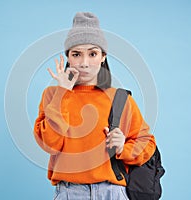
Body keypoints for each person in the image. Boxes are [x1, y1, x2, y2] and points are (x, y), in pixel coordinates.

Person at [34, 12, 156, 200]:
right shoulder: (52, 96)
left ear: (103, 57)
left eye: (92, 54)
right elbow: (50, 144)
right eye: (76, 54)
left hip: (112, 193)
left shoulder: (120, 99)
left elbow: (147, 144)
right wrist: (63, 93)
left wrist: (123, 147)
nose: (84, 63)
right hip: (69, 193)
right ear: (68, 57)